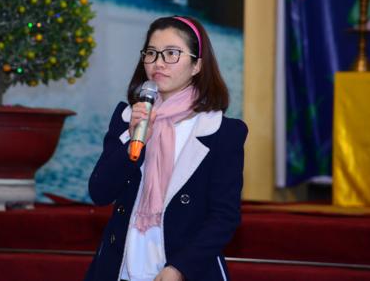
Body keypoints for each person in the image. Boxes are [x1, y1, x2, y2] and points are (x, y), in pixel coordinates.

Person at [84, 16, 248, 281]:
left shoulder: (220, 131)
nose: (158, 63)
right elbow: (100, 192)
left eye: (171, 53)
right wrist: (132, 140)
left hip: (183, 272)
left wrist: (180, 268)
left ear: (197, 65)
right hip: (122, 270)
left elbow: (224, 217)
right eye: (151, 53)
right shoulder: (128, 118)